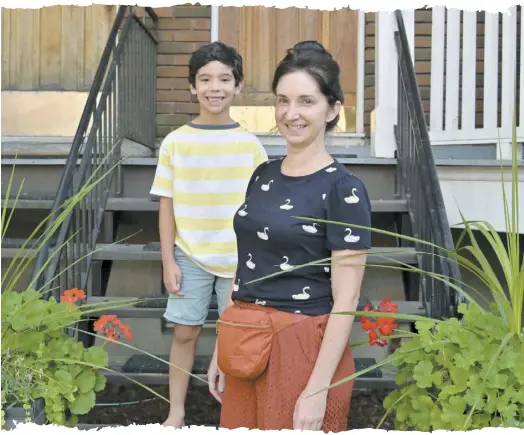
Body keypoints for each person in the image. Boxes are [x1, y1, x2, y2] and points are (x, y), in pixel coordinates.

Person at [207, 40, 372, 432]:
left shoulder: (344, 189)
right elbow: (245, 266)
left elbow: (346, 299)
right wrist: (222, 345)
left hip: (302, 347)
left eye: (306, 102)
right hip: (245, 340)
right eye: (283, 101)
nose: (291, 114)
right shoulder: (262, 175)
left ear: (333, 110)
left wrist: (317, 388)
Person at [149, 41, 268, 428]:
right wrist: (168, 260)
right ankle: (177, 411)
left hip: (238, 260)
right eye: (205, 79)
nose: (214, 87)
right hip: (189, 256)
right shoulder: (175, 142)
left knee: (235, 340)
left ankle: (233, 415)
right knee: (185, 333)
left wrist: (248, 262)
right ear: (192, 87)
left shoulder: (250, 146)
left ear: (238, 86)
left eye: (224, 79)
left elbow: (258, 209)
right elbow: (166, 204)